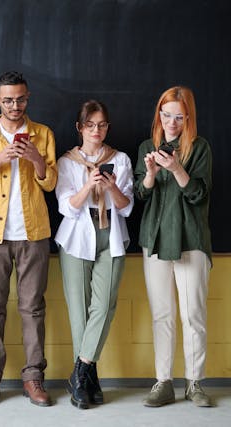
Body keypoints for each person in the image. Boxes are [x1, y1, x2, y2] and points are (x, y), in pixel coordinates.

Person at [0, 71, 57, 407]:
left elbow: (50, 184)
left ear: (28, 98)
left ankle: (34, 378)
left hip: (33, 233)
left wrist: (36, 160)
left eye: (20, 99)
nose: (14, 105)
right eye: (8, 100)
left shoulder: (42, 134)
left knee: (32, 308)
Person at [135, 86, 213, 408]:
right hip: (154, 240)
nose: (171, 122)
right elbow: (141, 195)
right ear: (159, 115)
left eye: (179, 116)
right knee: (162, 314)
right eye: (167, 115)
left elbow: (199, 195)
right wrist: (152, 174)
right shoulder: (146, 147)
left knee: (193, 314)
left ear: (188, 118)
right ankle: (163, 381)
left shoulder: (200, 149)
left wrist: (177, 169)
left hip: (191, 239)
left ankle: (194, 383)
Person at [54, 100, 133, 409]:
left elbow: (126, 207)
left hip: (110, 234)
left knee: (104, 306)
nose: (96, 131)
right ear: (80, 127)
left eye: (102, 125)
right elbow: (66, 208)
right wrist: (88, 185)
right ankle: (89, 380)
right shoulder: (67, 162)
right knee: (80, 313)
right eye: (90, 125)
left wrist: (111, 187)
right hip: (76, 236)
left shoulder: (121, 159)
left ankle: (79, 373)